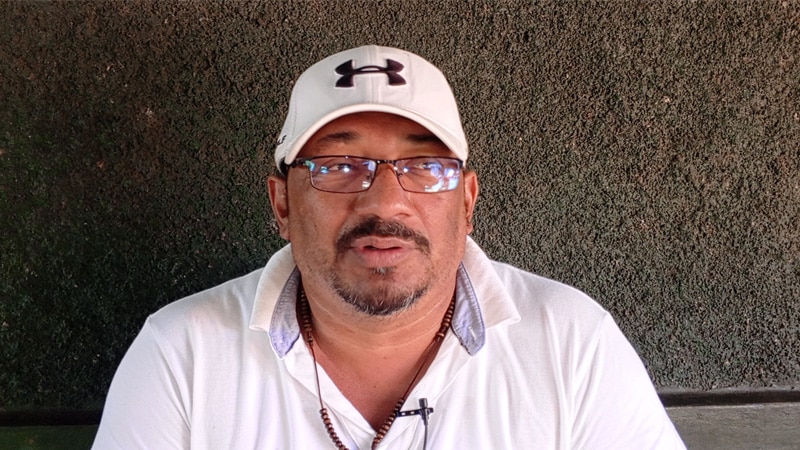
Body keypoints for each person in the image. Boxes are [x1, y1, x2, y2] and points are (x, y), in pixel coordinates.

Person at [93, 45, 685, 449]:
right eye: (339, 165)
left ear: (467, 202)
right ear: (281, 203)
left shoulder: (571, 345)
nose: (383, 201)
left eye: (425, 167)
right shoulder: (182, 357)